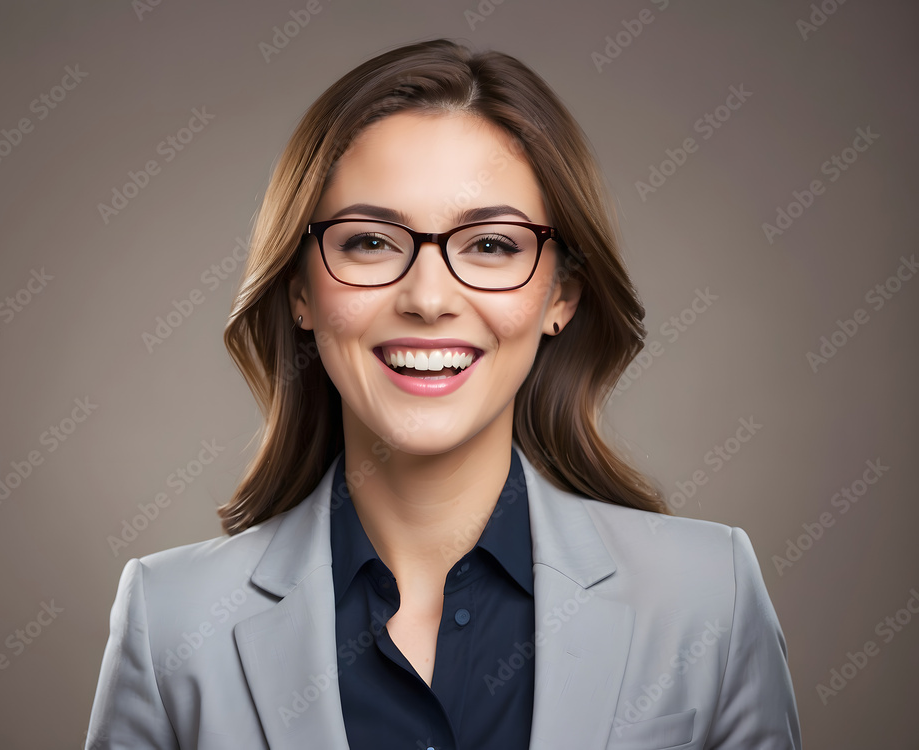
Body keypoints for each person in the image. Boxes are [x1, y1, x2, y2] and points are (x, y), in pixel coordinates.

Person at [85, 38, 801, 749]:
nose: (428, 298)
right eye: (370, 242)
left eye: (491, 244)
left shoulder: (710, 597)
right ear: (300, 290)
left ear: (563, 295)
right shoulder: (170, 618)